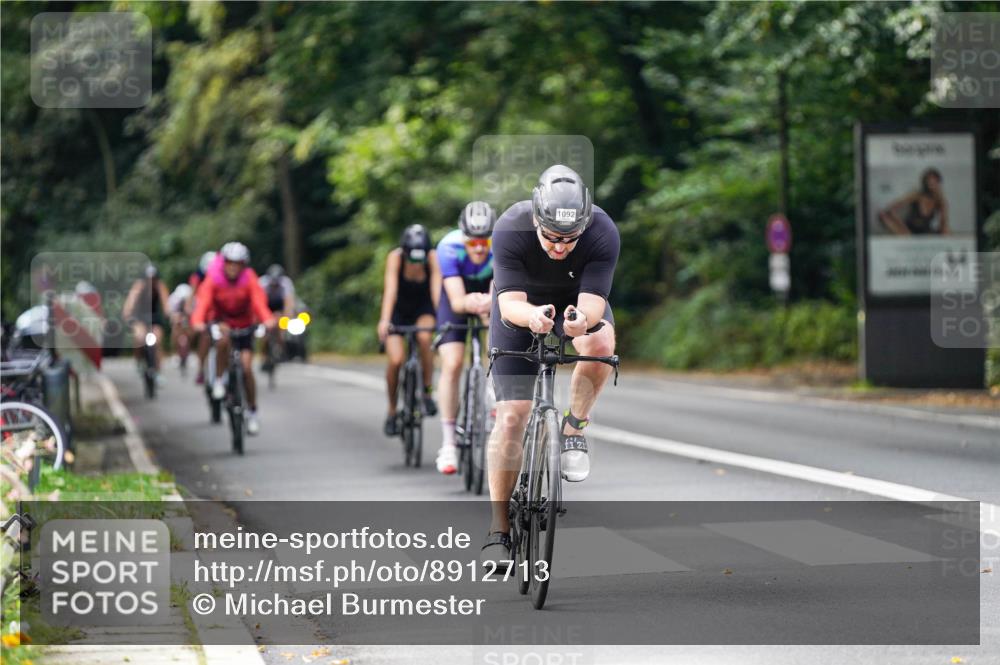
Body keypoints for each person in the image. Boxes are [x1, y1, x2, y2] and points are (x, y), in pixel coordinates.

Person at [479, 165, 620, 566]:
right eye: (551, 238)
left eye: (569, 240)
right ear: (536, 221)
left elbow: (594, 303)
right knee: (512, 417)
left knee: (601, 340)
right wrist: (533, 318)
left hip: (576, 304)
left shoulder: (602, 231)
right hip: (522, 308)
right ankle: (499, 528)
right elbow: (508, 304)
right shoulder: (511, 226)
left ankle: (573, 429)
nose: (560, 248)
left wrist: (580, 323)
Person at [433, 201, 495, 475]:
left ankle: (494, 393)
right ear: (463, 238)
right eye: (473, 243)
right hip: (457, 293)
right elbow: (457, 302)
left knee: (500, 342)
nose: (480, 248)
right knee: (453, 363)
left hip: (489, 291)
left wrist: (489, 305)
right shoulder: (448, 247)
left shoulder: (503, 245)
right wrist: (471, 301)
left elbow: (502, 291)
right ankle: (448, 444)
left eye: (485, 241)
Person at [191, 242, 275, 435]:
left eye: (238, 264)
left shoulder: (249, 279)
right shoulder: (213, 279)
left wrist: (268, 320)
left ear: (243, 265)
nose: (233, 267)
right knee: (222, 340)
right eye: (229, 263)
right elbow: (202, 304)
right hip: (223, 323)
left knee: (246, 369)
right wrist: (197, 322)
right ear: (224, 263)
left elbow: (259, 303)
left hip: (245, 325)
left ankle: (252, 411)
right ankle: (219, 380)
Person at [377, 224, 440, 437]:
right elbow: (391, 290)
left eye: (419, 259)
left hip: (423, 307)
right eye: (412, 258)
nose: (416, 263)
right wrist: (385, 321)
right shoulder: (395, 257)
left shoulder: (432, 257)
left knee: (424, 337)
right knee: (396, 360)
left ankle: (428, 391)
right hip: (399, 310)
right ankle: (392, 410)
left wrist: (441, 320)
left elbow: (436, 291)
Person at [122, 264, 171, 382]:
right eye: (149, 279)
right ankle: (139, 360)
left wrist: (168, 314)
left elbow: (166, 304)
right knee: (139, 337)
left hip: (154, 318)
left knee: (157, 340)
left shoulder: (159, 286)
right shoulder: (139, 286)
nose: (151, 282)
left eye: (153, 279)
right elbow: (130, 302)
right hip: (139, 318)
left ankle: (158, 371)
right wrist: (127, 313)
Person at [878, 168, 950, 235]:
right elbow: (891, 208)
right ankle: (906, 236)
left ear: (938, 183)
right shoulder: (916, 195)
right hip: (908, 230)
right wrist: (902, 226)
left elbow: (944, 224)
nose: (932, 185)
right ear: (925, 183)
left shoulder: (940, 201)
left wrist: (943, 204)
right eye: (929, 182)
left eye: (935, 182)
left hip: (925, 231)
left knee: (947, 231)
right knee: (883, 215)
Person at [259, 264, 296, 369]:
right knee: (264, 335)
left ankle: (281, 348)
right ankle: (264, 357)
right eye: (272, 284)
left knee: (281, 325)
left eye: (276, 284)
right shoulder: (262, 283)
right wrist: (265, 318)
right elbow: (259, 303)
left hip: (279, 306)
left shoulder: (286, 283)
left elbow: (289, 302)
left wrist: (286, 317)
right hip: (266, 306)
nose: (274, 286)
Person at [190, 251, 217, 385]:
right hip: (204, 312)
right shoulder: (198, 279)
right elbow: (193, 296)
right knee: (203, 337)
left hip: (218, 313)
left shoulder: (222, 279)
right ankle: (201, 368)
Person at [167, 282, 194, 370]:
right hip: (178, 316)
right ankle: (175, 351)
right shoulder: (173, 300)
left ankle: (188, 350)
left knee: (191, 329)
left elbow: (196, 315)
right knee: (175, 328)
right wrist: (176, 319)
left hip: (189, 317)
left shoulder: (194, 300)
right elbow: (171, 314)